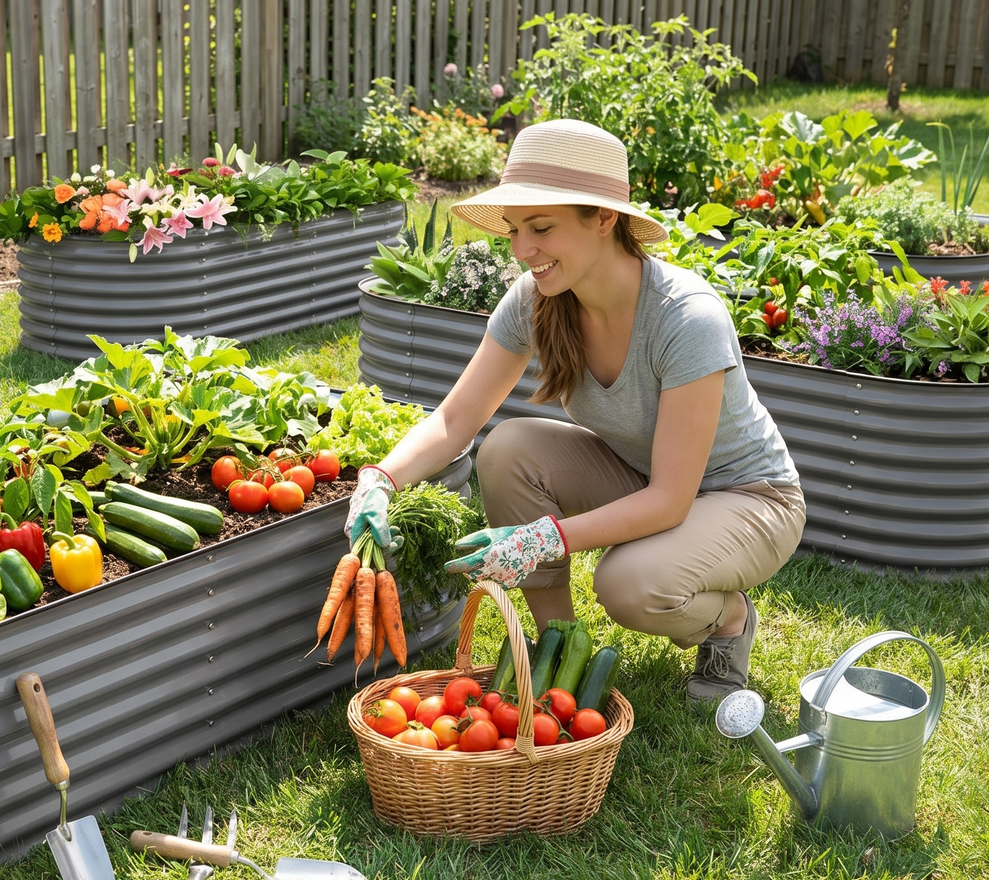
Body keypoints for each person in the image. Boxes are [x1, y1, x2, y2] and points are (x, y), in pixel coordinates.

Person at [345, 119, 806, 702]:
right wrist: (378, 481)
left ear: (605, 219)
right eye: (514, 230)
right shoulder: (539, 299)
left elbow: (671, 498)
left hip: (748, 498)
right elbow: (455, 420)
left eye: (541, 228)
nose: (520, 250)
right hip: (642, 474)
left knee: (630, 584)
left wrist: (543, 539)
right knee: (509, 448)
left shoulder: (686, 319)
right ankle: (556, 649)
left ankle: (729, 620)